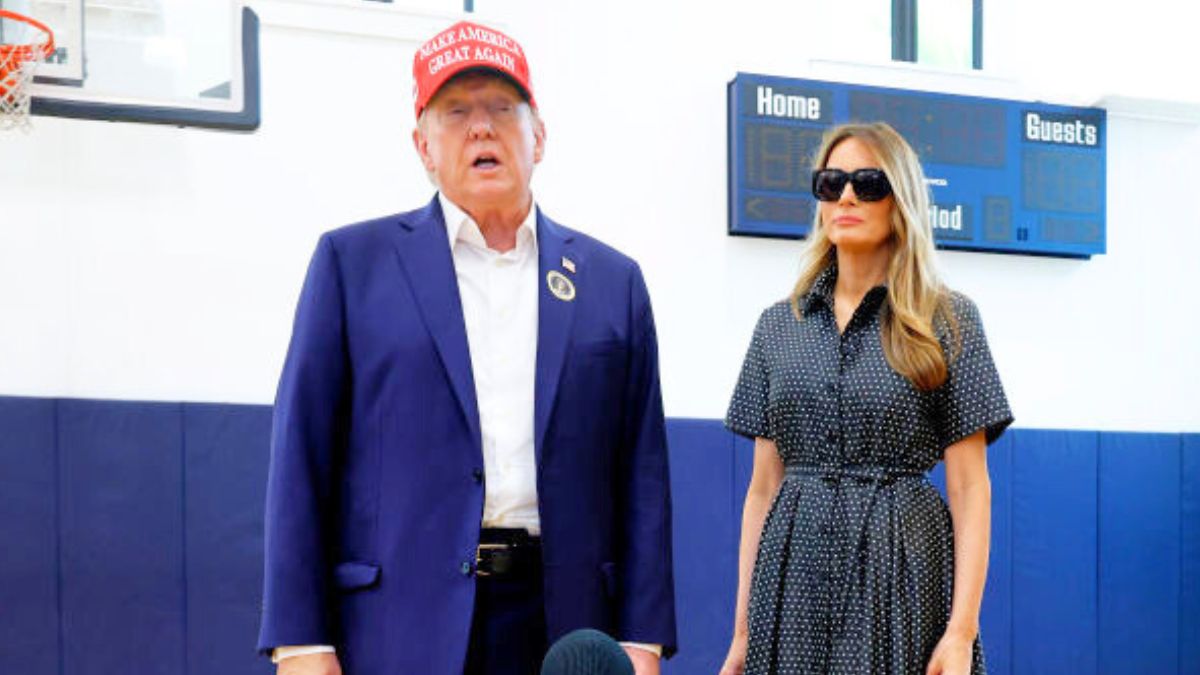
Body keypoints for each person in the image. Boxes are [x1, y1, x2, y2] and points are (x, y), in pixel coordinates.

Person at [256, 20, 677, 675]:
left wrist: (644, 638)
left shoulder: (612, 282)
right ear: (422, 145)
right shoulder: (351, 265)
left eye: (502, 109)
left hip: (564, 624)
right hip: (401, 622)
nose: (481, 128)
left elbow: (642, 476)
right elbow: (300, 459)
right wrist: (301, 641)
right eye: (455, 112)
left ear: (539, 136)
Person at [719, 122, 1012, 675]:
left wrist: (961, 631)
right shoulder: (777, 327)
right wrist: (743, 632)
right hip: (794, 575)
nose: (846, 195)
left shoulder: (948, 320)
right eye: (830, 183)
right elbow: (762, 490)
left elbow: (971, 486)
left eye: (868, 182)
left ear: (899, 199)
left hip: (900, 569)